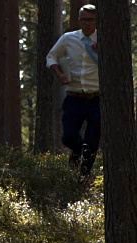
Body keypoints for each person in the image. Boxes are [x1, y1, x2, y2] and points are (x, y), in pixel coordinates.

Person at [46, 4, 99, 183]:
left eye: (90, 20)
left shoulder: (104, 38)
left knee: (92, 142)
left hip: (97, 99)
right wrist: (60, 74)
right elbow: (51, 56)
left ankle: (83, 177)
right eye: (83, 20)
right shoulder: (69, 39)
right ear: (78, 21)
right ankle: (77, 153)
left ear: (97, 20)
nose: (87, 24)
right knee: (68, 137)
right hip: (74, 97)